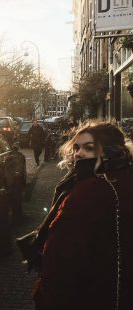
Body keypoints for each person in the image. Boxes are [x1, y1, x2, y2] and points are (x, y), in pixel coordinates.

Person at [32, 120, 133, 310]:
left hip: (88, 296)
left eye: (88, 148)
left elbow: (60, 259)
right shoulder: (124, 179)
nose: (78, 153)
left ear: (110, 150)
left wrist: (47, 296)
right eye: (76, 147)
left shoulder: (86, 192)